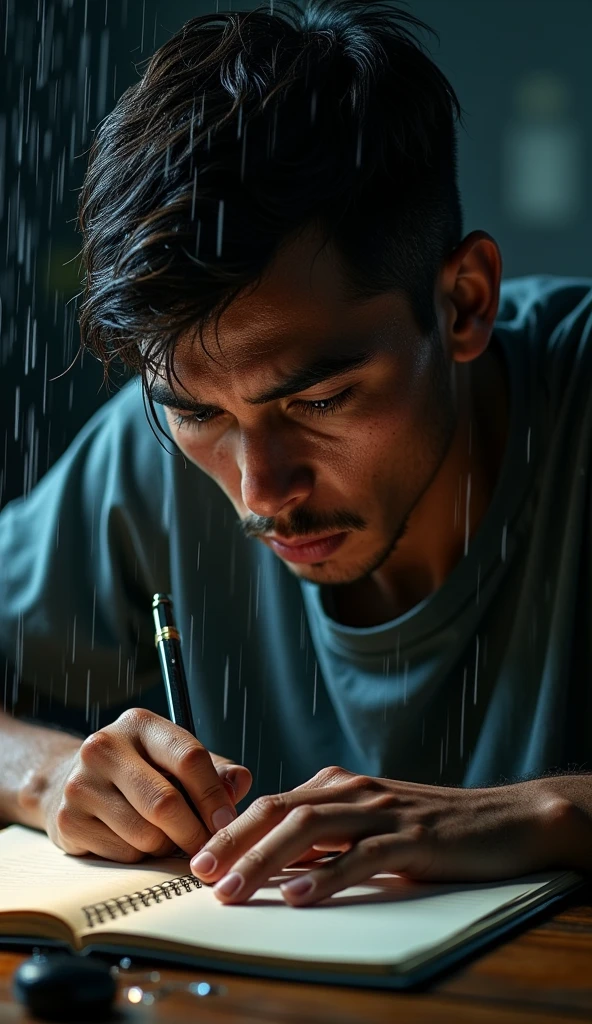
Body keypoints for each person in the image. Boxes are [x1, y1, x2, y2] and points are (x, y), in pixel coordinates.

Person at [1, 0, 591, 908]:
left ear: (465, 302)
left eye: (319, 399)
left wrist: (556, 810)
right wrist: (43, 777)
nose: (259, 489)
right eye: (196, 413)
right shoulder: (152, 441)